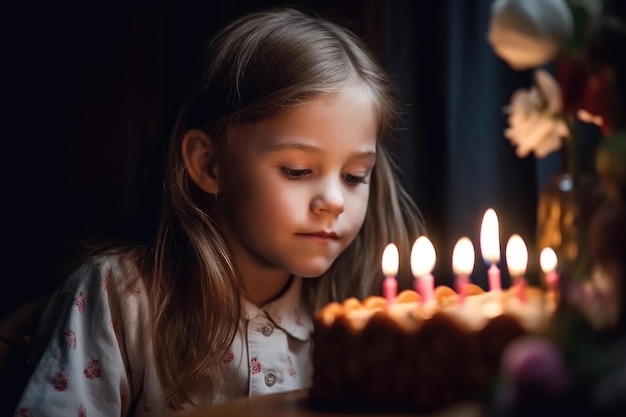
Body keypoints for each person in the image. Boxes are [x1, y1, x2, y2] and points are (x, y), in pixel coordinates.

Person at [14, 6, 424, 417]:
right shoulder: (120, 298)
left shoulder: (354, 322)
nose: (334, 200)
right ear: (209, 165)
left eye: (354, 176)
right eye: (297, 170)